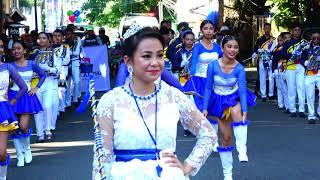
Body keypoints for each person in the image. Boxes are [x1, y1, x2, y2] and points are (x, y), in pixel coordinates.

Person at [92, 26, 217, 179]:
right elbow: (101, 158)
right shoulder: (110, 101)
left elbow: (208, 134)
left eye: (159, 55)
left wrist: (187, 166)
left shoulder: (173, 96)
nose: (155, 63)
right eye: (146, 56)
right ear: (128, 61)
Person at [202, 35, 256, 180]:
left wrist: (245, 110)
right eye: (229, 46)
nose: (233, 50)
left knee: (236, 110)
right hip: (219, 100)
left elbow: (243, 90)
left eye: (236, 47)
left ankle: (242, 150)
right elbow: (208, 88)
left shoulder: (239, 68)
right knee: (225, 138)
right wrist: (205, 108)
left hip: (233, 97)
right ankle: (227, 174)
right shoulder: (213, 65)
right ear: (222, 48)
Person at [8, 40, 46, 166]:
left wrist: (36, 87)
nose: (16, 51)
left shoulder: (31, 63)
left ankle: (27, 150)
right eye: (14, 49)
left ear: (25, 50)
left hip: (26, 97)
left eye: (18, 48)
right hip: (12, 97)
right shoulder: (10, 65)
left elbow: (43, 75)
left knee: (23, 126)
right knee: (13, 129)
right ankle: (19, 155)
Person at [30, 32, 62, 142]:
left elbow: (59, 70)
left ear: (48, 40)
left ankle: (47, 129)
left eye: (44, 38)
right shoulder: (33, 53)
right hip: (35, 83)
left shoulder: (54, 52)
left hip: (49, 81)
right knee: (37, 108)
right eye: (39, 38)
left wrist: (49, 69)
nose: (41, 40)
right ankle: (40, 133)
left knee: (47, 106)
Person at [0, 61, 27, 180]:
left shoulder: (7, 67)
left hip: (2, 112)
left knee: (1, 153)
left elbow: (23, 87)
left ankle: (2, 176)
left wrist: (13, 101)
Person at [281, 22, 307, 117]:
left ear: (301, 31)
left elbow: (307, 54)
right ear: (292, 31)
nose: (297, 32)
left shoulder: (304, 42)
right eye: (295, 30)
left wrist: (302, 58)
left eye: (299, 30)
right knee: (291, 89)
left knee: (301, 88)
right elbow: (283, 54)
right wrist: (292, 55)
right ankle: (292, 109)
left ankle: (301, 110)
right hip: (290, 67)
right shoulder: (287, 43)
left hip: (300, 67)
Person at [252, 23, 276, 101]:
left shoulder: (273, 39)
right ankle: (263, 95)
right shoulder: (259, 39)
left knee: (271, 78)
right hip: (262, 61)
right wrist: (257, 52)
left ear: (270, 29)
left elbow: (276, 50)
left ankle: (271, 94)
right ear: (264, 29)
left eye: (268, 28)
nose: (267, 30)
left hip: (270, 61)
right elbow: (255, 50)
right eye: (266, 28)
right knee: (262, 78)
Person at [301, 32, 320, 123]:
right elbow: (300, 57)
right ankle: (311, 116)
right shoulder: (306, 47)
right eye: (314, 38)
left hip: (319, 73)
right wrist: (304, 62)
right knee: (310, 95)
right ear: (311, 39)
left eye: (318, 38)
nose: (316, 40)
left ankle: (319, 112)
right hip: (309, 74)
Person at [52, 29, 70, 116]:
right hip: (52, 71)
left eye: (59, 36)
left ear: (63, 37)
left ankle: (61, 108)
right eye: (55, 36)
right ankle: (56, 108)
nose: (57, 38)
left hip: (63, 70)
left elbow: (66, 61)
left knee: (61, 90)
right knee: (54, 90)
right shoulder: (50, 47)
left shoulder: (66, 47)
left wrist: (57, 61)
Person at [65, 27, 83, 107]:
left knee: (77, 81)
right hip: (66, 64)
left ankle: (76, 99)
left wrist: (69, 52)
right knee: (67, 84)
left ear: (72, 33)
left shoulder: (77, 39)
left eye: (69, 34)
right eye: (66, 34)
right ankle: (68, 102)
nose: (68, 36)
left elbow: (76, 52)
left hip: (75, 62)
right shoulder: (64, 41)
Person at [272, 33, 289, 112]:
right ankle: (280, 104)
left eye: (281, 40)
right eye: (278, 40)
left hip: (284, 69)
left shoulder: (285, 48)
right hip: (278, 70)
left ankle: (287, 105)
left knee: (285, 89)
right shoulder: (276, 49)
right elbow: (274, 60)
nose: (280, 42)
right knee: (279, 88)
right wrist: (274, 70)